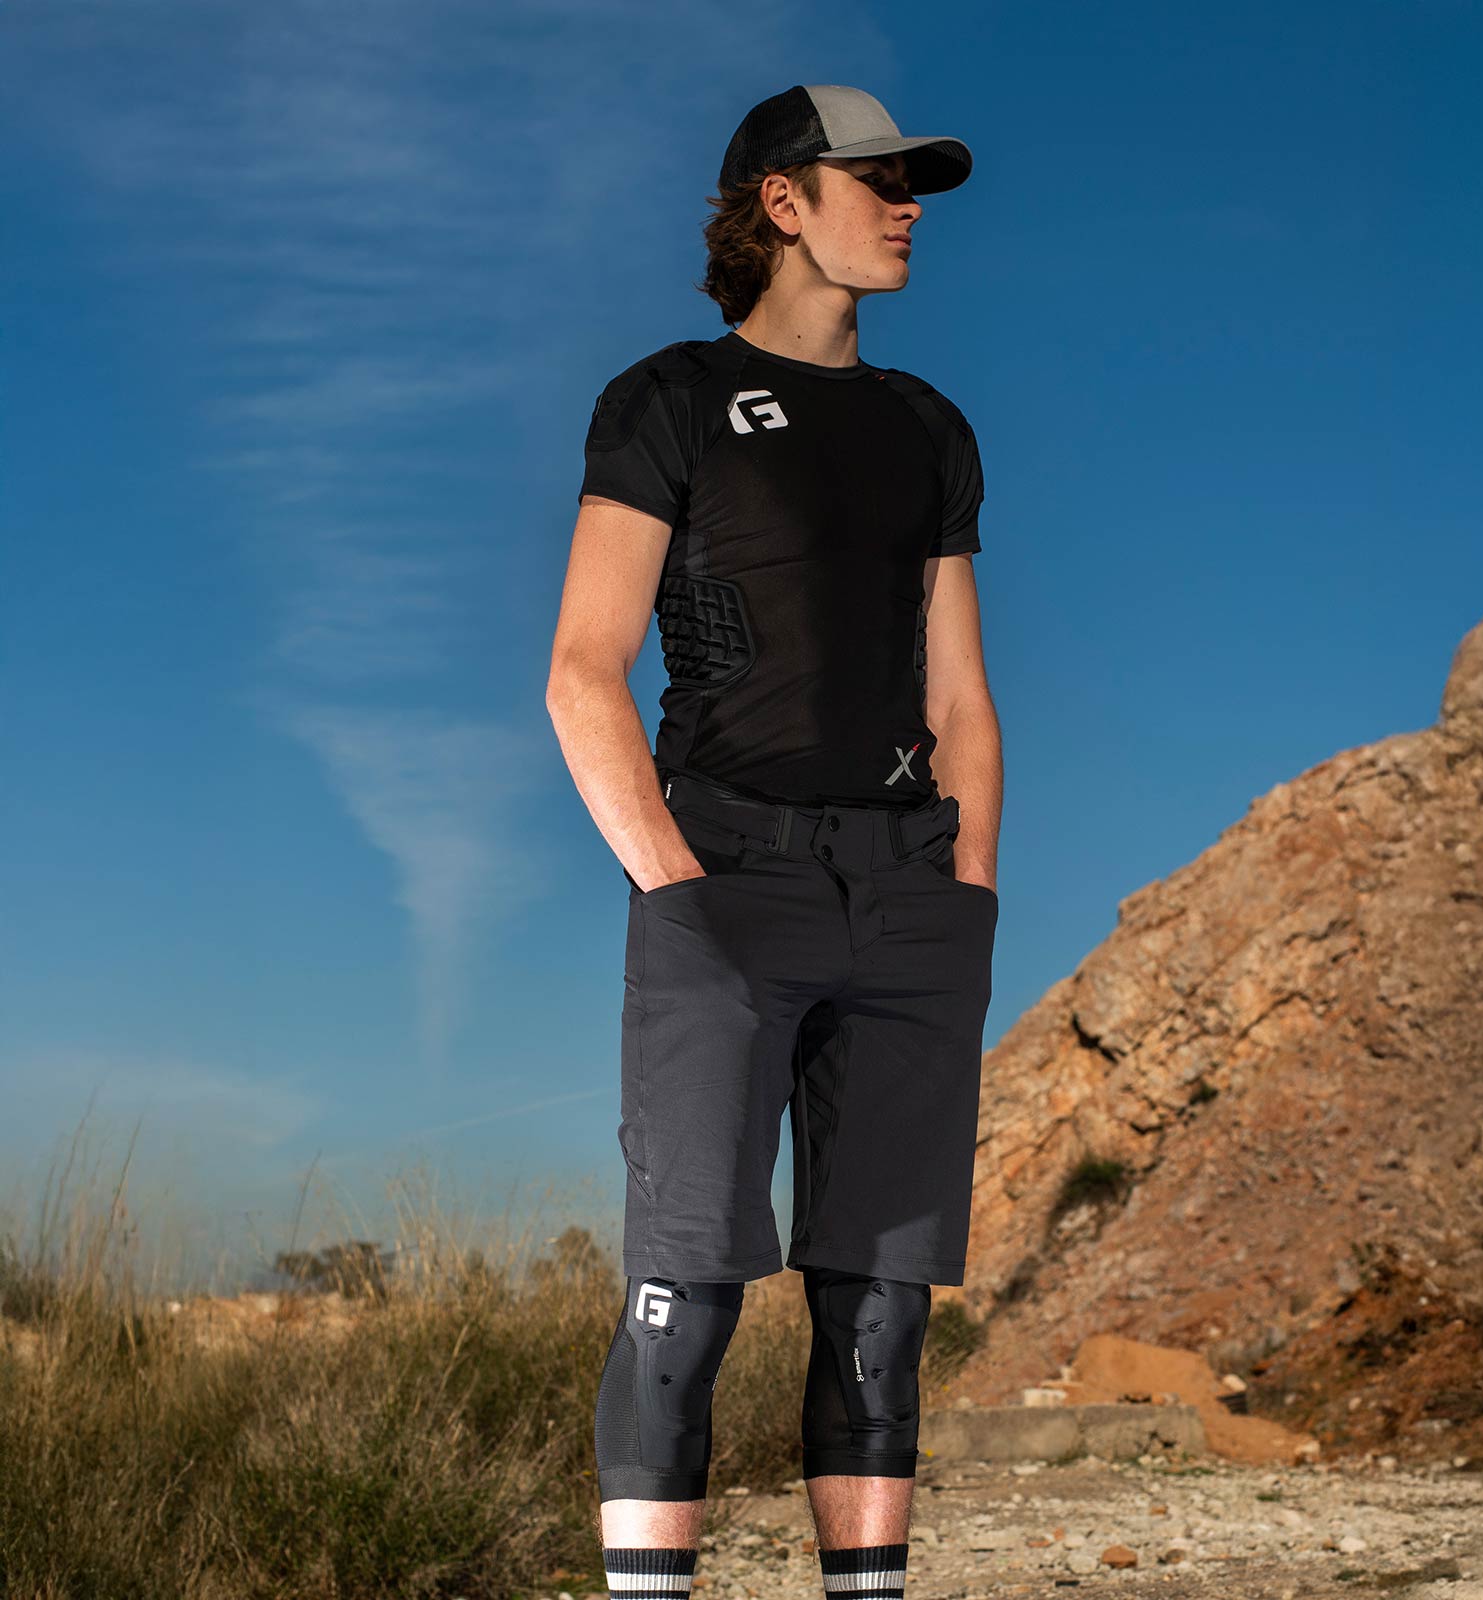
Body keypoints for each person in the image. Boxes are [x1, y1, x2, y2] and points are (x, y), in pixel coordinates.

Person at [546, 82, 1001, 1600]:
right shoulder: (668, 400)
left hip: (906, 892)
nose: (907, 201)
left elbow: (961, 698)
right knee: (691, 1282)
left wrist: (968, 895)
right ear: (781, 204)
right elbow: (583, 670)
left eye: (913, 181)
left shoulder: (930, 427)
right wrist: (674, 892)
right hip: (724, 880)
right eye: (873, 177)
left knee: (881, 1303)